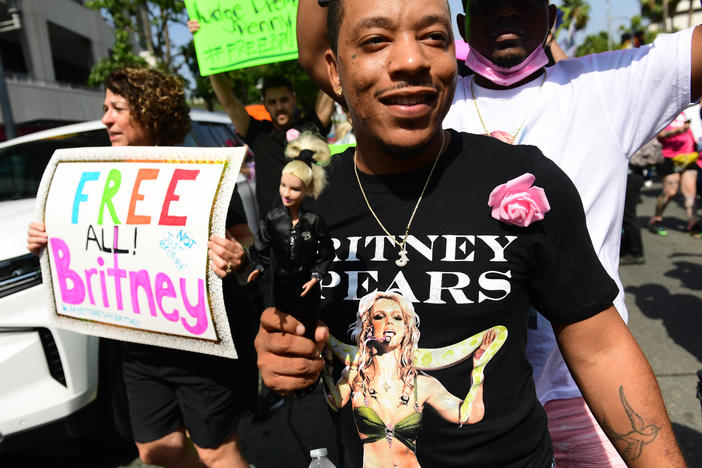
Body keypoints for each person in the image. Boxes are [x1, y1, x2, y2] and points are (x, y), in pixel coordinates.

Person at [255, 0, 686, 466]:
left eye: (434, 38)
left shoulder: (527, 178)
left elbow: (601, 349)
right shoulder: (311, 204)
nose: (412, 59)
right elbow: (293, 338)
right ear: (334, 73)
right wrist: (284, 359)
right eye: (377, 41)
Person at [27, 67, 256, 468]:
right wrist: (46, 238)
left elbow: (245, 239)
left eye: (117, 107)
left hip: (197, 345)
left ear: (150, 112)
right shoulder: (98, 179)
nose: (105, 119)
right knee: (155, 451)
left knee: (217, 453)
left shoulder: (196, 172)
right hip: (139, 350)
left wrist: (236, 254)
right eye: (105, 108)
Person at [323, 291, 502, 467]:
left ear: (406, 329)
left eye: (397, 317)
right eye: (379, 316)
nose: (389, 322)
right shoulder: (355, 375)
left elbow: (468, 415)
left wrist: (478, 368)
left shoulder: (423, 384)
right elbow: (336, 402)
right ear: (367, 325)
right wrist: (327, 367)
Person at [187, 20, 335, 218]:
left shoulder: (311, 126)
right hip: (273, 232)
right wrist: (205, 47)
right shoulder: (258, 133)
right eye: (272, 102)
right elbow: (229, 102)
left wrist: (334, 39)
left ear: (293, 99)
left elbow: (329, 89)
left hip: (314, 224)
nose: (279, 106)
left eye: (283, 99)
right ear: (265, 105)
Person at [247, 132, 335, 340]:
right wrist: (257, 266)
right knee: (283, 331)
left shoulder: (314, 221)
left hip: (306, 285)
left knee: (308, 331)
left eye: (295, 188)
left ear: (306, 190)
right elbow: (260, 246)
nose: (286, 193)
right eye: (283, 185)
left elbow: (326, 252)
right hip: (281, 284)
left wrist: (316, 276)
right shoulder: (273, 218)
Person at [650, 113, 701, 237]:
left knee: (690, 193)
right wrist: (677, 130)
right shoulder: (667, 111)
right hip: (669, 158)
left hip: (689, 157)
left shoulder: (690, 112)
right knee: (670, 192)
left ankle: (692, 223)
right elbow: (658, 135)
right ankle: (656, 218)